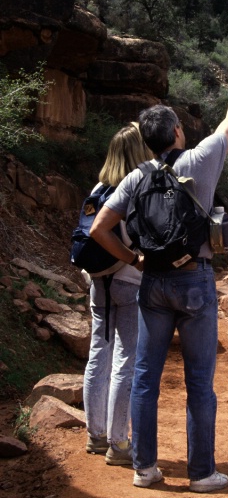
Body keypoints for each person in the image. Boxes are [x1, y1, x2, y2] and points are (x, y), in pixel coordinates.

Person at [91, 58, 228, 490]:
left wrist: (133, 260)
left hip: (153, 284)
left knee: (145, 379)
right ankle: (202, 473)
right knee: (199, 382)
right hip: (195, 281)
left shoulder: (134, 179)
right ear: (178, 132)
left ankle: (144, 469)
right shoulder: (200, 161)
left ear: (146, 143)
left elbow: (98, 229)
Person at [83, 122, 151, 465]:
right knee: (125, 360)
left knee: (99, 353)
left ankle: (95, 435)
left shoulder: (99, 187)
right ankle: (118, 443)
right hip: (127, 281)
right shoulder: (133, 188)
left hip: (98, 282)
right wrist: (135, 260)